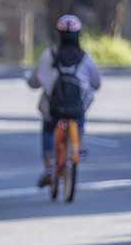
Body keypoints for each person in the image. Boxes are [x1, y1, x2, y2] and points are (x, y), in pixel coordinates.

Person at [26, 14, 103, 188]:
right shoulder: (85, 58)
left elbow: (33, 82)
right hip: (76, 108)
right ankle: (78, 145)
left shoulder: (48, 55)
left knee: (48, 129)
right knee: (79, 116)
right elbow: (96, 83)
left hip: (53, 110)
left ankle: (48, 165)